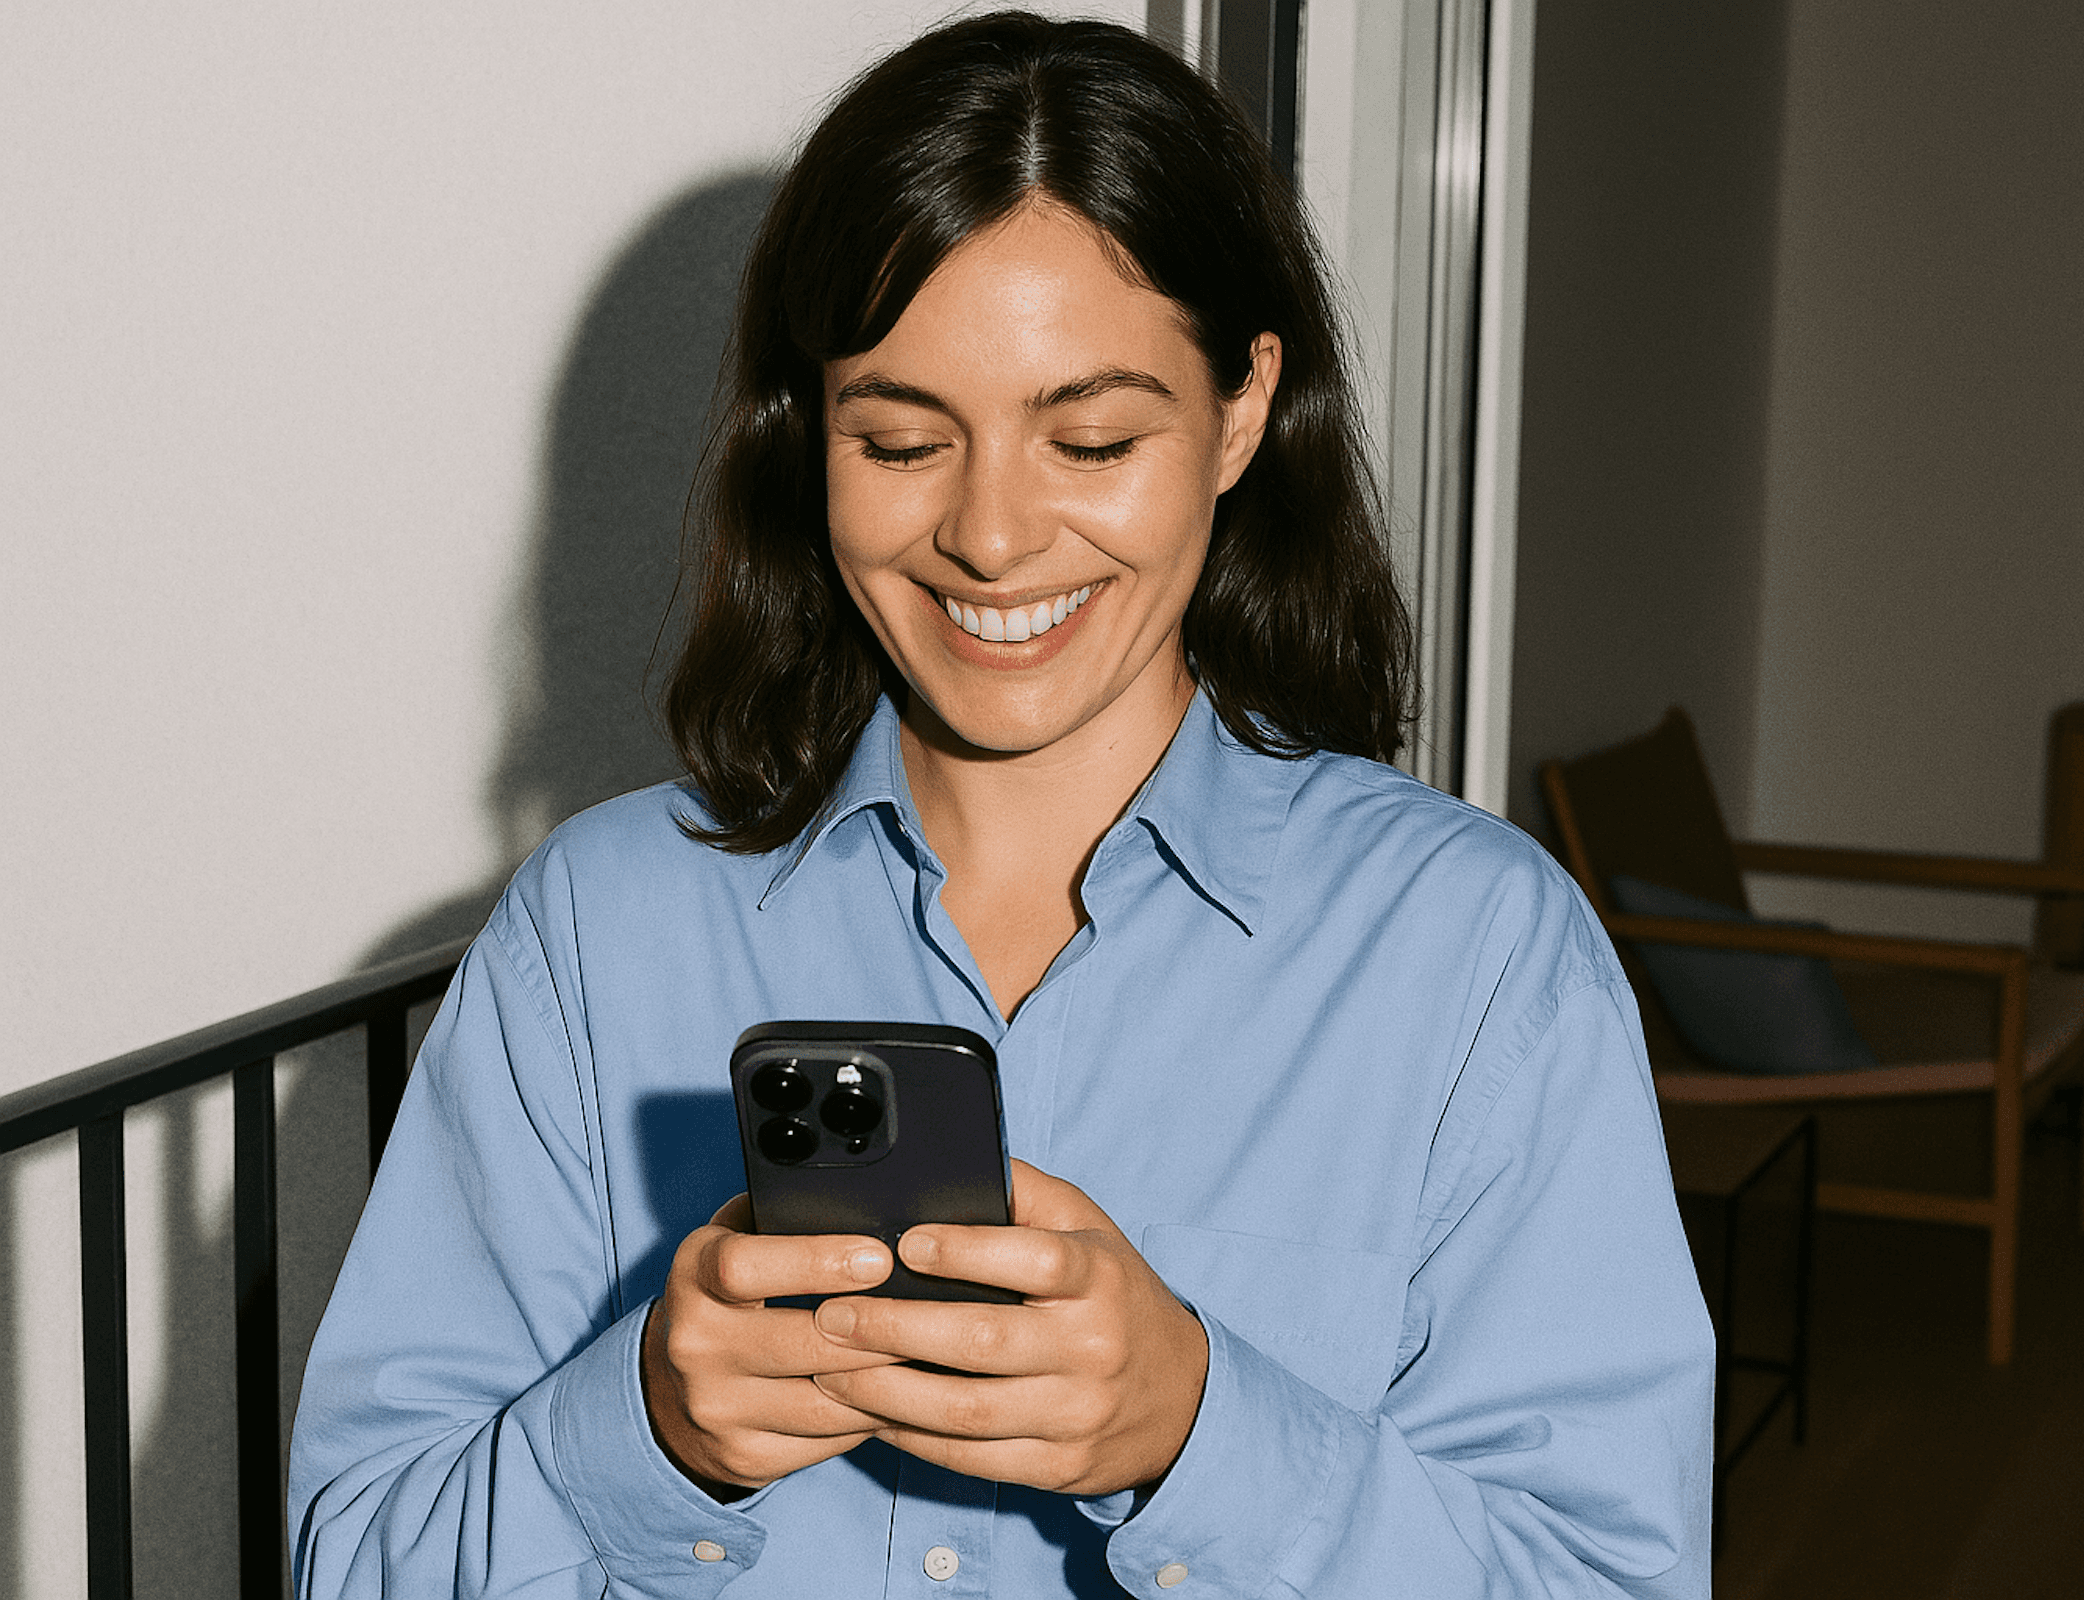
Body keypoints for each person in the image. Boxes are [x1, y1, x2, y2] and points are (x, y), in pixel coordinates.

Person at [289, 13, 1714, 1597]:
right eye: (898, 440)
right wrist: (638, 1428)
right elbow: (358, 1562)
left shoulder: (1480, 962)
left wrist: (1202, 1434)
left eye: (1092, 437)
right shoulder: (595, 932)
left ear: (1242, 411)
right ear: (808, 431)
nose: (988, 534)